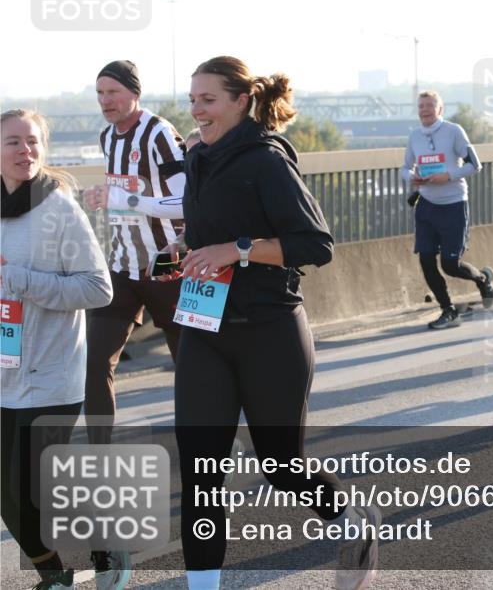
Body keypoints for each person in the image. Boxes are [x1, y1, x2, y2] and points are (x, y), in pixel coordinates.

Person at [175, 56, 379, 590]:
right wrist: (189, 248)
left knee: (282, 467)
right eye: (193, 99)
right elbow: (209, 228)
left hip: (270, 331)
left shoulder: (267, 160)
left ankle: (350, 523)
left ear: (241, 102)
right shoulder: (197, 157)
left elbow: (316, 244)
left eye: (208, 100)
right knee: (201, 474)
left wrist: (235, 250)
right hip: (203, 329)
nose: (197, 110)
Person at [1, 109, 113, 590]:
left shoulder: (59, 209)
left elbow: (97, 289)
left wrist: (20, 281)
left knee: (34, 488)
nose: (25, 150)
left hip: (52, 371)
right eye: (12, 142)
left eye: (32, 142)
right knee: (9, 497)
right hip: (5, 371)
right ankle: (55, 575)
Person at [82, 61, 186, 450]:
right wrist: (103, 199)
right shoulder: (107, 137)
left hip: (167, 260)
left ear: (134, 92)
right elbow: (124, 198)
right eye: (99, 93)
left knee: (189, 364)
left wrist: (125, 198)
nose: (105, 101)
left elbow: (186, 202)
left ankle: (211, 445)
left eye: (113, 92)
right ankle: (100, 453)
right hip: (122, 263)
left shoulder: (158, 132)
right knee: (94, 363)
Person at [402, 90, 493, 330]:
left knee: (450, 265)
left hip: (453, 204)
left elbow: (476, 165)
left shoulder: (454, 131)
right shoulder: (414, 136)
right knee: (426, 260)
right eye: (421, 106)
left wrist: (448, 175)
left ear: (439, 110)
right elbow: (404, 168)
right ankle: (448, 310)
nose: (425, 110)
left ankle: (483, 279)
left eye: (430, 106)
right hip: (426, 206)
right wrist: (412, 177)